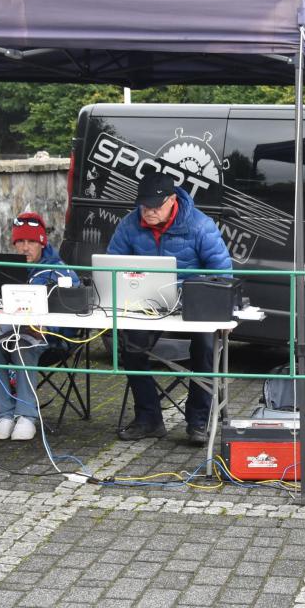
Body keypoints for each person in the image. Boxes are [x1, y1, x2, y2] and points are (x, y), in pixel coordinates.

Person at [107, 171, 232, 442]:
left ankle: (198, 422)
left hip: (194, 306)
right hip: (148, 306)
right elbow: (110, 266)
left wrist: (199, 296)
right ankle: (148, 418)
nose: (149, 212)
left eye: (155, 206)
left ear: (173, 200)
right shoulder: (129, 225)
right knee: (130, 347)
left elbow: (223, 273)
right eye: (144, 206)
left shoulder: (201, 225)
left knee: (206, 348)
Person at [0, 212, 79, 442]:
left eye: (31, 242)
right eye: (20, 242)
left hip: (52, 339)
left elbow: (75, 301)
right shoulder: (4, 268)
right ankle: (5, 415)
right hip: (11, 334)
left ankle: (26, 416)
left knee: (22, 346)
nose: (25, 247)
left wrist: (48, 327)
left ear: (42, 243)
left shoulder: (59, 270)